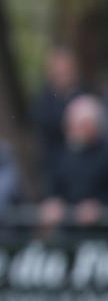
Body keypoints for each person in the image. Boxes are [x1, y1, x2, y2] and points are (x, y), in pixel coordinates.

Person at [39, 95, 108, 229]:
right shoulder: (61, 155)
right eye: (73, 124)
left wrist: (100, 206)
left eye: (84, 124)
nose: (77, 129)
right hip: (69, 230)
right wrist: (52, 202)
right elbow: (54, 187)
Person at [32, 46, 86, 183]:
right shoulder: (43, 101)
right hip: (55, 167)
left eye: (66, 70)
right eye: (58, 71)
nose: (62, 74)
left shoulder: (84, 95)